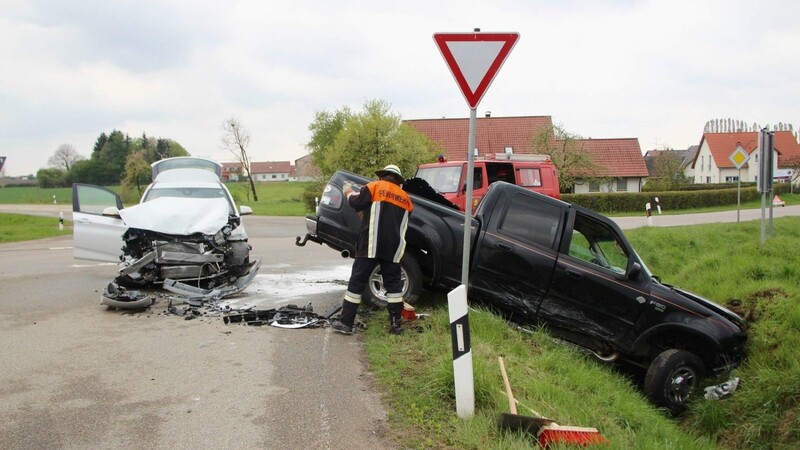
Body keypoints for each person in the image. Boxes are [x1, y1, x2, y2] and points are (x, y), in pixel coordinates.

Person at [331, 164, 414, 335]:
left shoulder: (374, 187)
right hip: (394, 247)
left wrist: (347, 190)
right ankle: (395, 325)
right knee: (393, 286)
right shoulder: (406, 199)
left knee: (357, 281)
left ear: (383, 176)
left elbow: (356, 202)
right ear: (398, 181)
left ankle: (346, 323)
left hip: (371, 244)